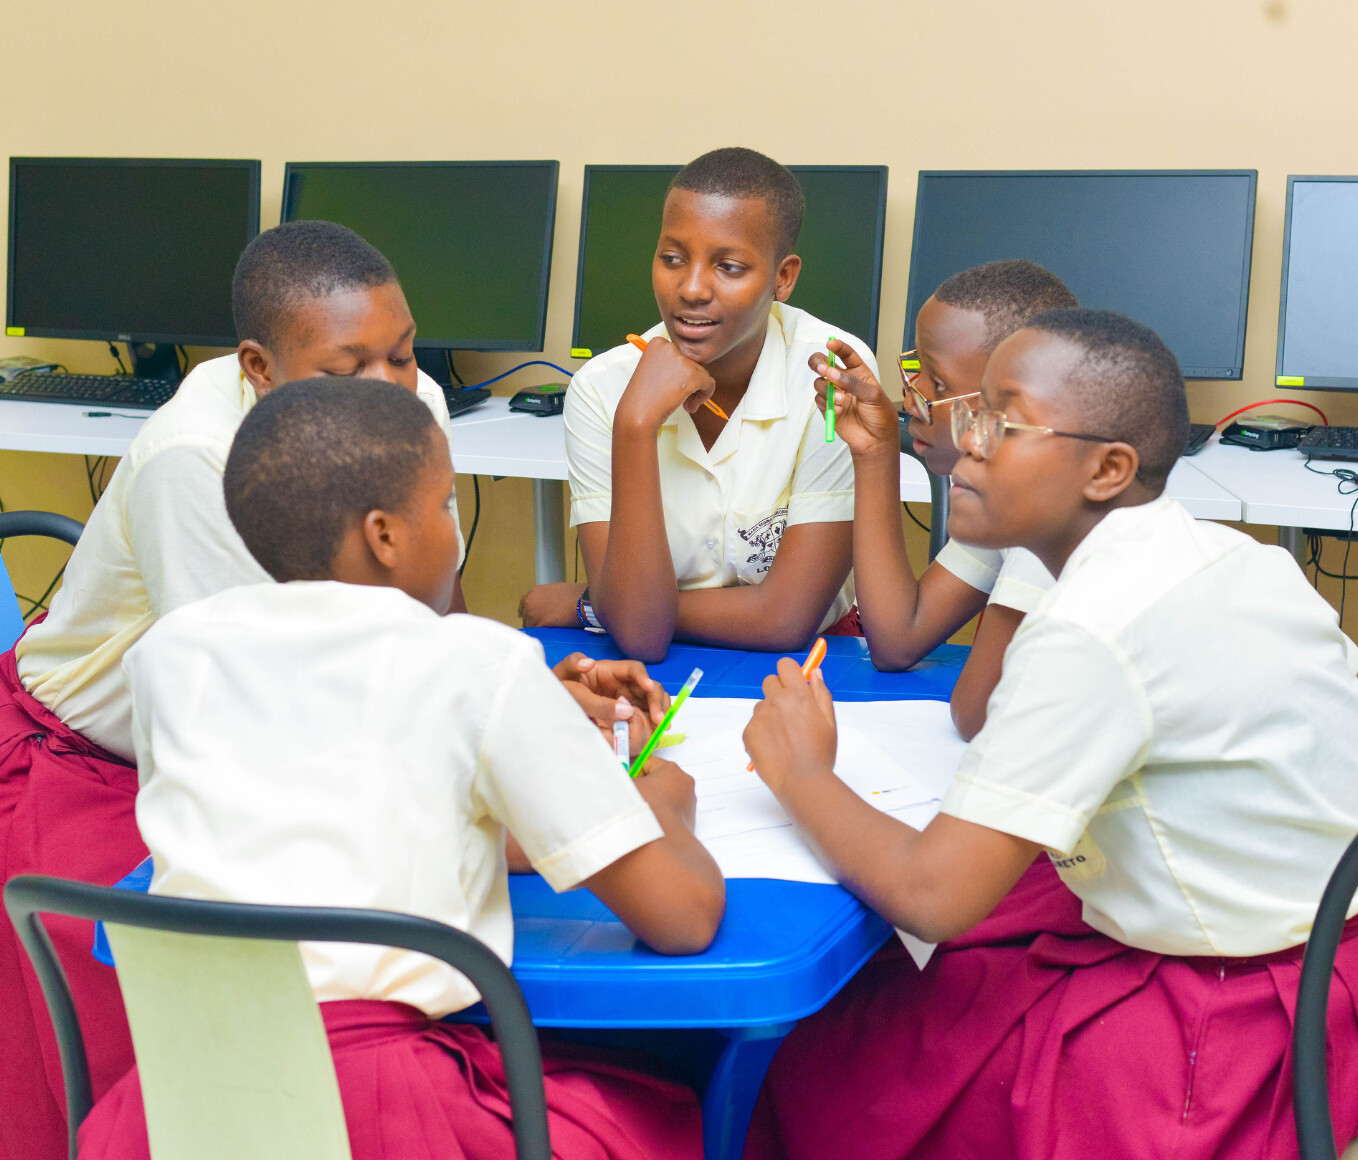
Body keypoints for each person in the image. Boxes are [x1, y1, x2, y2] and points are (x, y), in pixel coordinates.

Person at [0, 221, 661, 1160]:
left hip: (261, 736)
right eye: (349, 370)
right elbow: (278, 725)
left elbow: (425, 617)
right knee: (197, 993)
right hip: (107, 757)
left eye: (401, 354)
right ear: (259, 369)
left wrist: (514, 699)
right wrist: (529, 782)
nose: (392, 390)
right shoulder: (199, 464)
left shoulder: (400, 403)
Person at [742, 310, 1358, 1160]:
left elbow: (935, 894)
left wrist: (803, 772)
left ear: (1107, 469)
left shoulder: (1091, 626)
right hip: (1320, 953)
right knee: (936, 974)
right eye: (971, 412)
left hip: (1228, 1018)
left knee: (840, 1071)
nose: (965, 444)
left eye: (1003, 422)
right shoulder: (1232, 555)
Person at [76, 377, 725, 1160]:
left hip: (183, 1110)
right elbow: (683, 920)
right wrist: (656, 799)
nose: (456, 528)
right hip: (386, 1114)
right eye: (448, 505)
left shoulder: (167, 657)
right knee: (673, 1100)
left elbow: (337, 783)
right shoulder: (478, 662)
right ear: (385, 535)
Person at [522, 147, 875, 661]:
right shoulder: (603, 388)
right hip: (657, 664)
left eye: (728, 267)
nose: (690, 289)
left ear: (784, 277)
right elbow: (640, 637)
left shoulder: (830, 370)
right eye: (672, 259)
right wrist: (637, 423)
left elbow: (787, 619)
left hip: (815, 661)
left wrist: (597, 607)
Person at [814, 259, 1076, 739]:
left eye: (936, 384)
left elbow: (977, 713)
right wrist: (874, 452)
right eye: (914, 368)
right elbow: (897, 638)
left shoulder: (1058, 519)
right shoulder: (1017, 493)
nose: (911, 398)